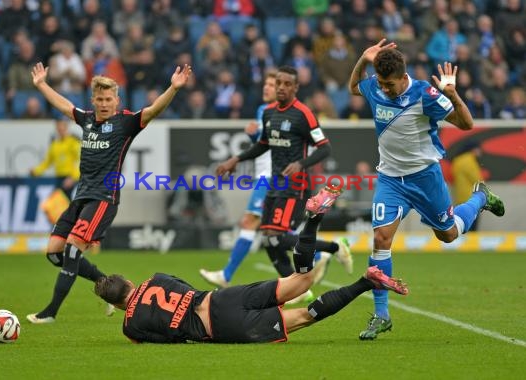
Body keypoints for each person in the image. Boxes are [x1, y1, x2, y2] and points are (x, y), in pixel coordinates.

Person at [95, 188, 409, 343]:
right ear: (131, 284)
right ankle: (313, 219)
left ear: (118, 305)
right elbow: (186, 289)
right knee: (302, 280)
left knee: (303, 315)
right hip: (219, 298)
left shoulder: (130, 326)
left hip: (220, 328)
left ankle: (366, 282)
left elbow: (170, 339)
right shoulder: (156, 277)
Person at [348, 39, 505, 340]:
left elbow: (467, 124)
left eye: (389, 84)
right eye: (380, 83)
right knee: (381, 239)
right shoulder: (375, 87)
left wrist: (453, 95)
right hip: (391, 180)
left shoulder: (425, 95)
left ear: (403, 77)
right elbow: (354, 86)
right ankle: (381, 314)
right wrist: (363, 58)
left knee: (447, 235)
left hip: (425, 179)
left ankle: (480, 197)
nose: (384, 89)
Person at [26, 61, 192, 324]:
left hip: (104, 199)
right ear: (93, 100)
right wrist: (42, 84)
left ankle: (51, 312)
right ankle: (105, 285)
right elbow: (63, 105)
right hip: (80, 197)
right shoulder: (87, 120)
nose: (104, 104)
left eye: (108, 99)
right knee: (54, 253)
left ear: (117, 100)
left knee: (71, 251)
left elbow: (153, 110)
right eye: (99, 99)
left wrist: (173, 88)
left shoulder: (125, 123)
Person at [201, 71, 352, 291]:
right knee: (269, 240)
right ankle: (298, 290)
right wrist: (236, 158)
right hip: (275, 183)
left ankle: (335, 247)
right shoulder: (269, 113)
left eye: (286, 84)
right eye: (278, 83)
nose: (281, 87)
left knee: (278, 238)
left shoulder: (304, 114)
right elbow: (263, 145)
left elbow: (325, 147)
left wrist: (301, 164)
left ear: (295, 88)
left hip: (296, 185)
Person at [450, 142, 484, 231]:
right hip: (472, 198)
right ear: (474, 149)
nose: (481, 151)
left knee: (463, 224)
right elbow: (477, 180)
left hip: (460, 197)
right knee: (472, 227)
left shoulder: (457, 160)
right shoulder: (469, 160)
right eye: (479, 149)